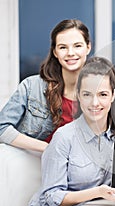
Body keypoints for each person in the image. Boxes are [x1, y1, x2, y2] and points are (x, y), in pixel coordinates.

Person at [27, 57, 115, 206]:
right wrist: (97, 192)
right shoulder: (64, 137)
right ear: (78, 95)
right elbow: (51, 197)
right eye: (87, 94)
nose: (94, 103)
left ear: (113, 96)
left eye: (102, 94)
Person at [0, 19, 91, 152]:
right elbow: (2, 129)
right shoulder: (31, 86)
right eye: (63, 47)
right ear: (55, 52)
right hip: (33, 166)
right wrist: (50, 148)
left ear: (88, 47)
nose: (70, 53)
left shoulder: (98, 93)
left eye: (77, 46)